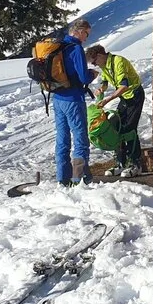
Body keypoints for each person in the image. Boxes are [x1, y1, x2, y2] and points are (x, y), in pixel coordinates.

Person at [85, 44, 144, 178]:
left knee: (130, 129)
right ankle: (120, 162)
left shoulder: (118, 62)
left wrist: (109, 98)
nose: (95, 65)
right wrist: (102, 89)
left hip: (134, 95)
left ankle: (135, 164)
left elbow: (124, 85)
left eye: (94, 62)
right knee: (117, 126)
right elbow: (105, 82)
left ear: (100, 56)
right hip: (124, 98)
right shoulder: (104, 65)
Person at [53, 18, 95, 186]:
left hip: (57, 98)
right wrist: (92, 74)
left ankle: (62, 178)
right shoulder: (76, 48)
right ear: (78, 31)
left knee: (62, 138)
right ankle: (78, 179)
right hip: (73, 99)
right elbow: (84, 77)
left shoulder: (59, 46)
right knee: (80, 138)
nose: (86, 38)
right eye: (86, 33)